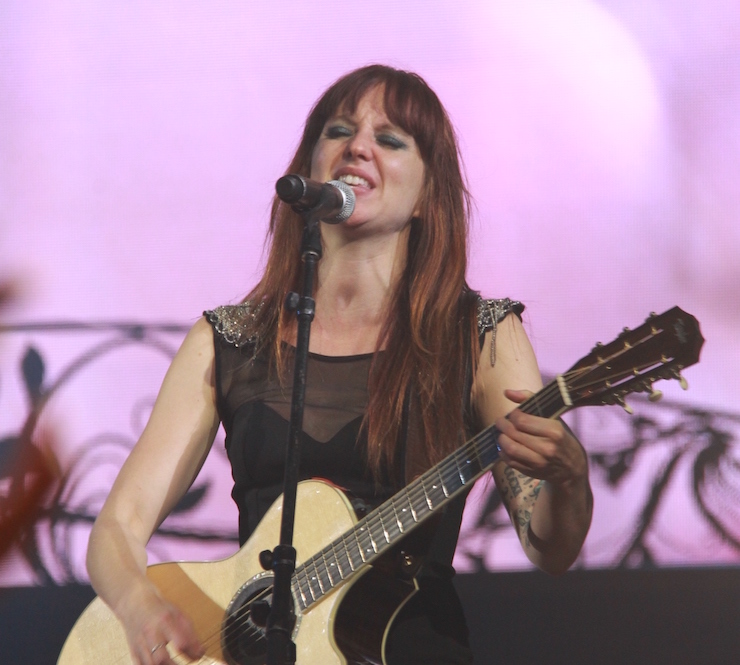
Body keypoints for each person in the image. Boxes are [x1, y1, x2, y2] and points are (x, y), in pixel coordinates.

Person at [86, 64, 592, 665]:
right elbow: (116, 528)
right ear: (307, 170)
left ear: (430, 195)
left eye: (391, 139)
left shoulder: (479, 335)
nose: (358, 147)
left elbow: (550, 548)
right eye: (339, 130)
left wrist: (570, 478)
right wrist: (140, 604)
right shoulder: (229, 339)